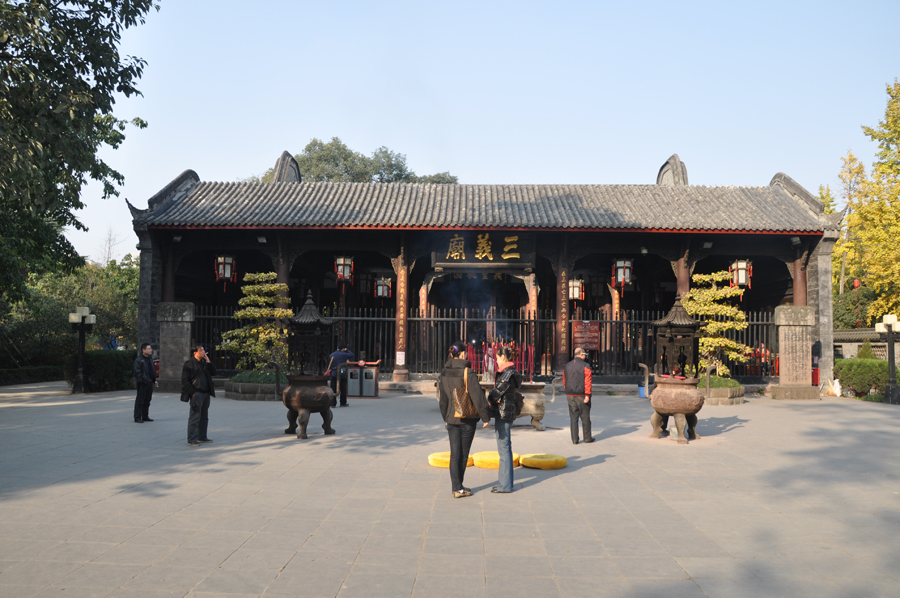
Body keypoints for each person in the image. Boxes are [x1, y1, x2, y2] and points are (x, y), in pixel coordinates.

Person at [438, 342, 491, 498]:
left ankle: (457, 487)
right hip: (467, 418)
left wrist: (445, 417)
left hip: (451, 418)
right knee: (463, 453)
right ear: (461, 354)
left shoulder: (444, 373)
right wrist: (485, 416)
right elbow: (477, 396)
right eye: (465, 352)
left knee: (455, 455)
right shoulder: (468, 372)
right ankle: (459, 487)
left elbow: (443, 399)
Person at [484, 346, 522, 494]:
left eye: (498, 357)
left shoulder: (507, 373)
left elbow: (496, 392)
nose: (496, 360)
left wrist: (490, 398)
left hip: (504, 413)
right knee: (505, 448)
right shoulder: (510, 372)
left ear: (504, 358)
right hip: (506, 412)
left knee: (504, 448)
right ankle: (505, 483)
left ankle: (505, 486)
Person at [181, 345, 216, 447]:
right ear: (195, 353)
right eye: (201, 350)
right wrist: (193, 392)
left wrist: (209, 362)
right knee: (195, 417)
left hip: (206, 393)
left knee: (204, 417)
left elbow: (214, 372)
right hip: (197, 393)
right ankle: (192, 439)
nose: (203, 352)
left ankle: (202, 436)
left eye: (204, 350)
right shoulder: (189, 364)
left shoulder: (205, 363)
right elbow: (185, 380)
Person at [563, 347, 594, 444]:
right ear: (581, 354)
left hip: (570, 395)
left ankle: (575, 439)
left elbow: (565, 380)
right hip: (582, 395)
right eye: (584, 354)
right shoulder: (586, 366)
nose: (585, 356)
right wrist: (587, 395)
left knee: (573, 417)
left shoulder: (567, 366)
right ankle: (587, 438)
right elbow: (587, 381)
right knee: (585, 417)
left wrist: (567, 390)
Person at [133, 343, 157, 423]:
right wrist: (142, 381)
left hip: (150, 382)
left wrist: (154, 380)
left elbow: (152, 370)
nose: (150, 350)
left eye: (150, 348)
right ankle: (137, 417)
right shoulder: (139, 360)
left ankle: (145, 416)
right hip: (143, 383)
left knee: (147, 400)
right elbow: (138, 372)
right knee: (140, 400)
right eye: (148, 349)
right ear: (143, 350)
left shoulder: (150, 358)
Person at [327, 342, 355, 407]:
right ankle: (343, 402)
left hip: (333, 373)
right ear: (343, 349)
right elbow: (352, 355)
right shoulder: (343, 355)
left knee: (333, 388)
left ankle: (333, 403)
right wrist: (346, 350)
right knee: (343, 388)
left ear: (337, 347)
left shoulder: (331, 355)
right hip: (342, 373)